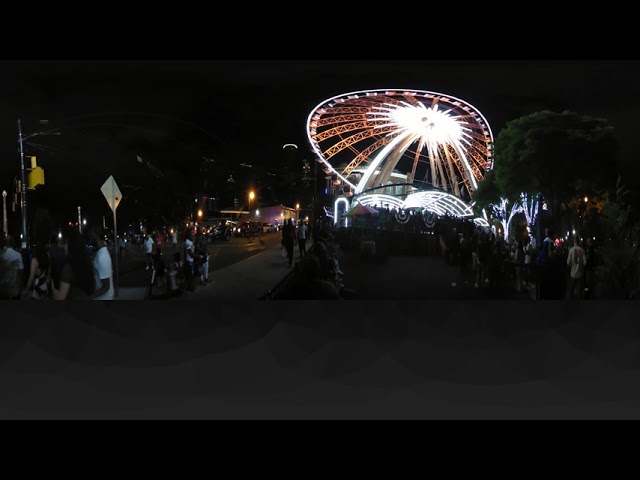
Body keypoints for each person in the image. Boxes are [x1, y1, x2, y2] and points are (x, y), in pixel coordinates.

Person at [50, 228, 95, 300]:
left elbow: (60, 298)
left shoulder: (68, 269)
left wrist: (52, 289)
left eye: (66, 243)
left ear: (72, 245)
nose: (64, 246)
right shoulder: (86, 264)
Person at [88, 226, 114, 300]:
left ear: (96, 236)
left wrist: (89, 297)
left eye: (91, 235)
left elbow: (106, 287)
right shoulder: (100, 253)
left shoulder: (102, 257)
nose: (90, 238)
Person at [0, 234, 25, 300]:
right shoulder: (18, 255)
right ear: (13, 243)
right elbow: (21, 272)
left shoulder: (2, 255)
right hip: (15, 290)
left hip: (3, 290)